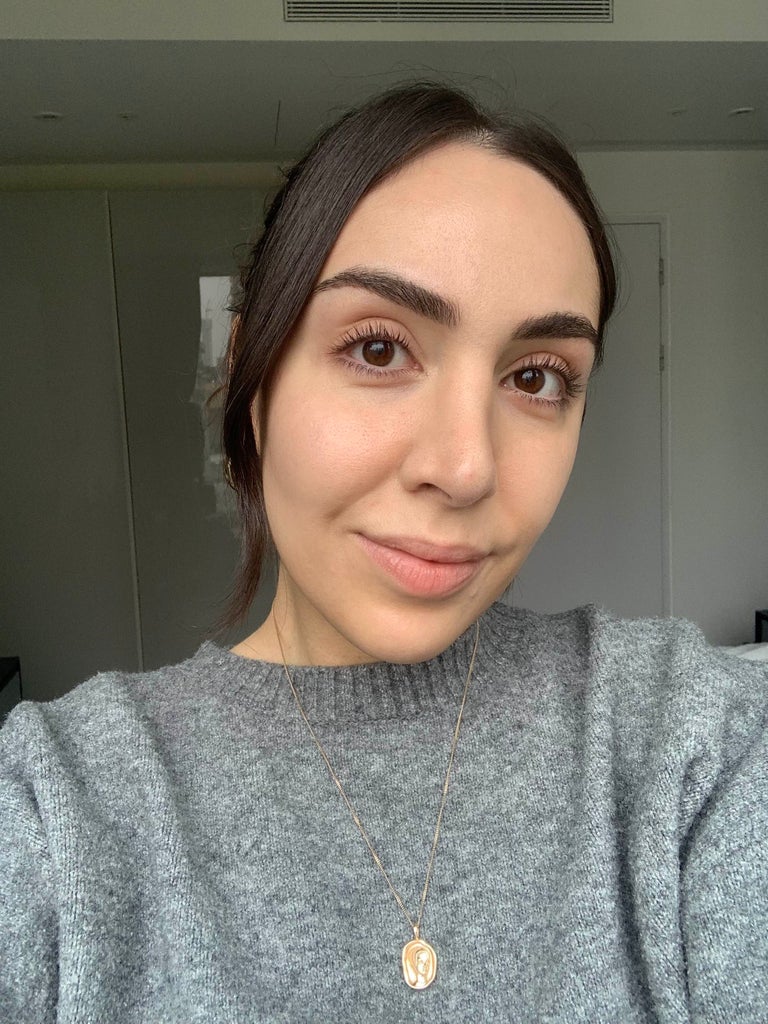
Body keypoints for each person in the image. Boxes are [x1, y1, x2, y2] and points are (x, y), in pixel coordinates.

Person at [1, 81, 766, 1023]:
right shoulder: (56, 810)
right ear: (249, 376)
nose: (466, 467)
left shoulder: (691, 743)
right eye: (377, 350)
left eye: (537, 376)